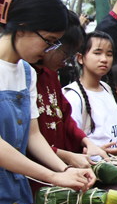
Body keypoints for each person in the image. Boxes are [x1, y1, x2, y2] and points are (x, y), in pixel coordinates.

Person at [0, 0, 95, 204]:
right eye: (49, 40)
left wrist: (65, 169)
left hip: (16, 197)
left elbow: (32, 135)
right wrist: (53, 176)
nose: (50, 49)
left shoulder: (27, 72)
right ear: (22, 28)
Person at [32, 10, 109, 168]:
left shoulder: (51, 74)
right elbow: (30, 138)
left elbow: (65, 117)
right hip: (38, 169)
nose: (66, 60)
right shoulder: (26, 75)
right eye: (66, 52)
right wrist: (67, 158)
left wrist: (87, 142)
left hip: (58, 167)